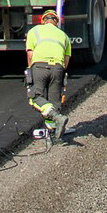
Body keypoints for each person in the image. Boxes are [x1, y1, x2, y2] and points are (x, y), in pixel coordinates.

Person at [25, 8, 72, 144]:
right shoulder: (64, 36)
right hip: (58, 68)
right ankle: (55, 136)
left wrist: (30, 70)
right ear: (56, 22)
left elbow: (30, 54)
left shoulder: (34, 31)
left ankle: (57, 117)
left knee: (35, 97)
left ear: (43, 21)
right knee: (54, 102)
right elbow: (66, 60)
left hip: (39, 66)